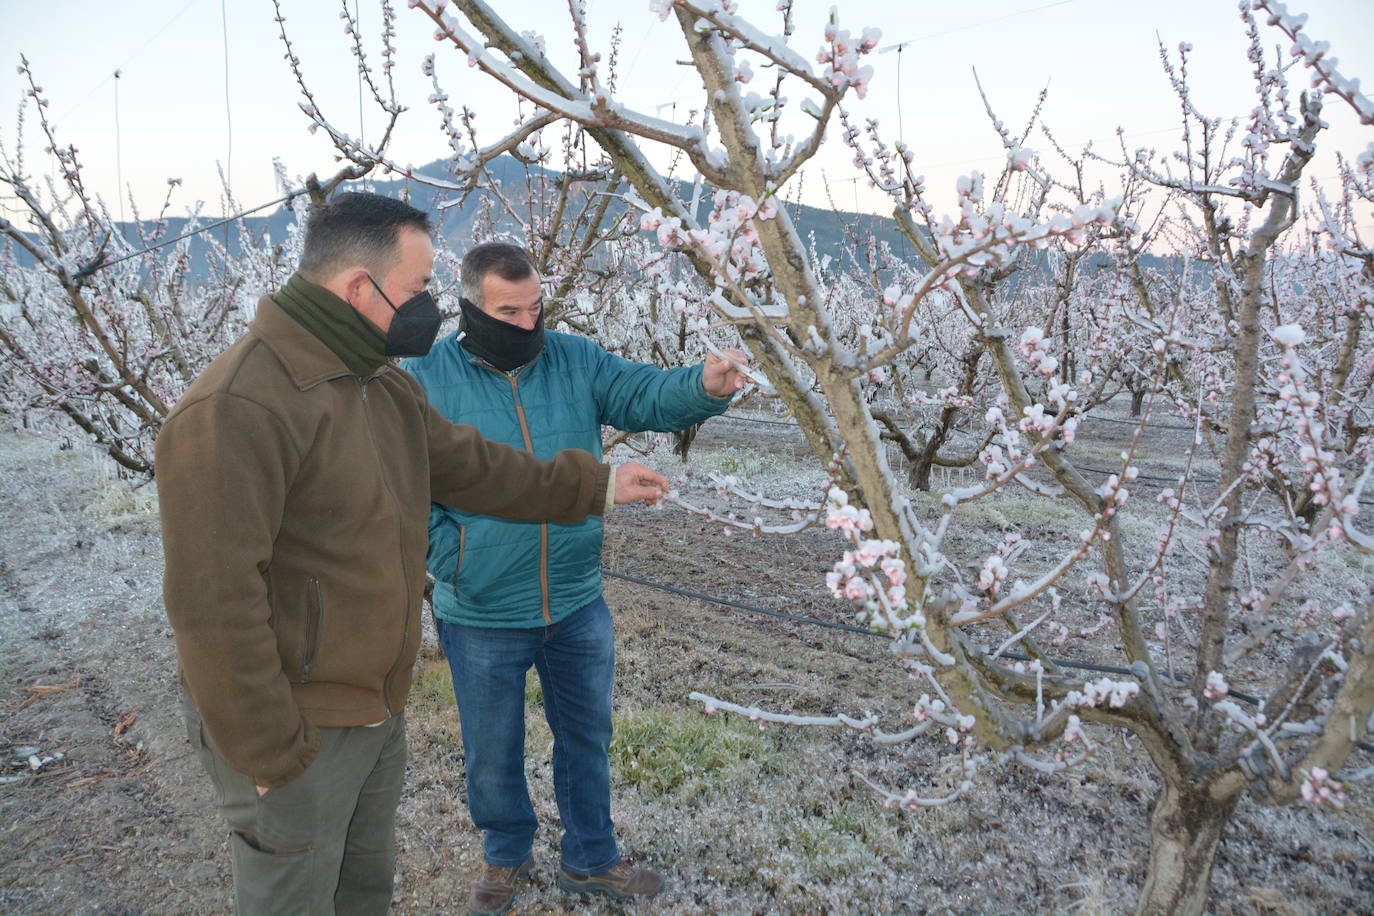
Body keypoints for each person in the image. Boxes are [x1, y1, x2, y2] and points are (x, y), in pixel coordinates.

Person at [155, 193, 669, 916]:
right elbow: (212, 600)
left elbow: (479, 467)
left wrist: (599, 484)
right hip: (297, 731)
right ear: (358, 289)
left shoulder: (378, 384)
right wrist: (266, 749)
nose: (431, 306)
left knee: (363, 894)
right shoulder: (241, 405)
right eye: (420, 289)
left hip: (372, 712)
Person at [405, 241, 748, 915]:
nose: (528, 324)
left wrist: (701, 388)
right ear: (470, 306)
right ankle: (504, 854)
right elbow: (407, 488)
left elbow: (643, 393)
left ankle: (591, 855)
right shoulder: (423, 381)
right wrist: (450, 556)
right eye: (510, 311)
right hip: (479, 606)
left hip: (572, 597)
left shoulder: (572, 358)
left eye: (536, 307)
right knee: (492, 749)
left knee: (587, 736)